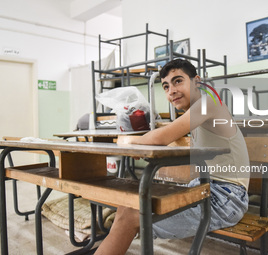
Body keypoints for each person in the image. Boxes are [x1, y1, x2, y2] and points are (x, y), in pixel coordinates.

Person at [95, 59, 250, 255]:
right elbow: (166, 140)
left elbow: (161, 137)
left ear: (197, 82)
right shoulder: (196, 111)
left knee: (131, 217)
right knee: (126, 208)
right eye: (166, 86)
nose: (171, 91)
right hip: (204, 188)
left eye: (178, 81)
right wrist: (143, 144)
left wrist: (128, 142)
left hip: (227, 198)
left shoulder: (209, 103)